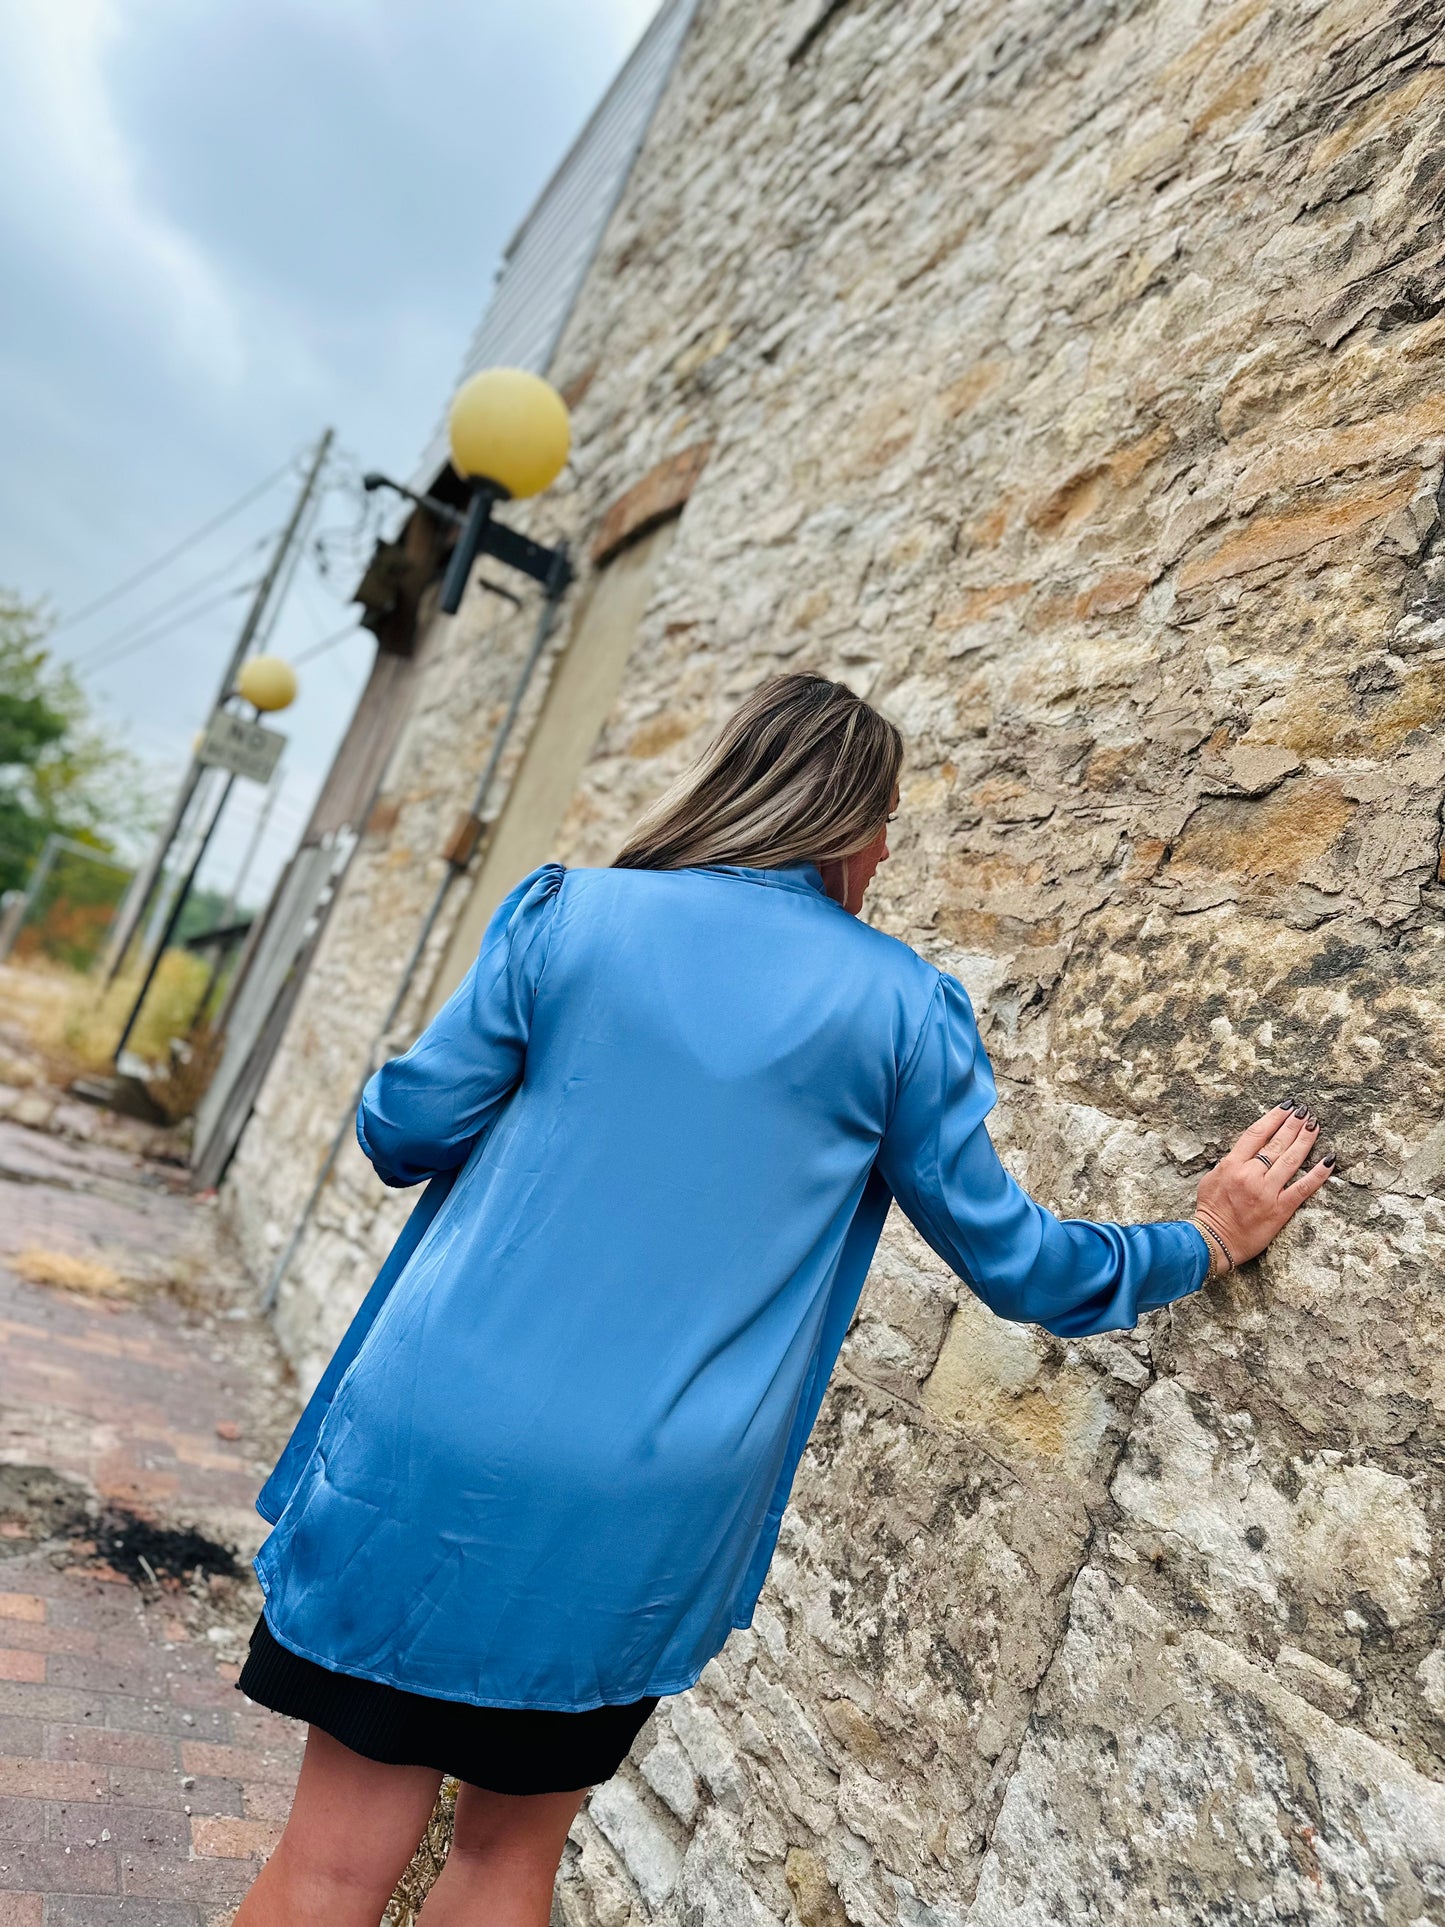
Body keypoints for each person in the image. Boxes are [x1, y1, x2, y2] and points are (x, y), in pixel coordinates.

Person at [233, 673, 1331, 1926]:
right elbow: (1018, 1265)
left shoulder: (566, 916)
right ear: (847, 828)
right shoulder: (901, 1007)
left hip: (430, 1444)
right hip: (641, 1498)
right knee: (503, 1860)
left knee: (329, 1863)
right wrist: (1199, 1236)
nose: (878, 860)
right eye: (884, 830)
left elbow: (401, 1128)